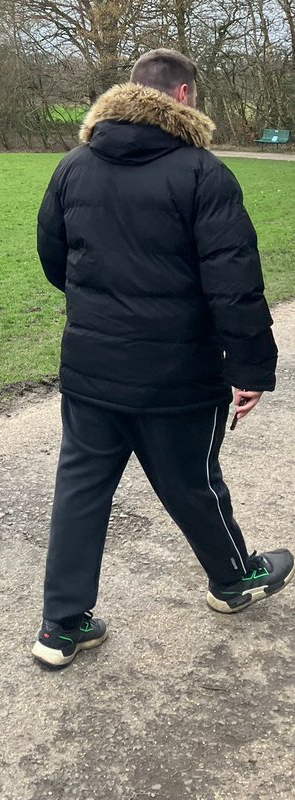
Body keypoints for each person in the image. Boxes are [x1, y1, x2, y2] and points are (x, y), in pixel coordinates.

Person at [32, 48, 291, 669]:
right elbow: (235, 283)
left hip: (92, 367)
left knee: (81, 489)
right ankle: (233, 578)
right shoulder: (202, 172)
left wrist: (102, 308)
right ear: (181, 97)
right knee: (192, 482)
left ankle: (61, 625)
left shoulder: (73, 166)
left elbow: (54, 259)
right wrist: (250, 369)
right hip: (176, 374)